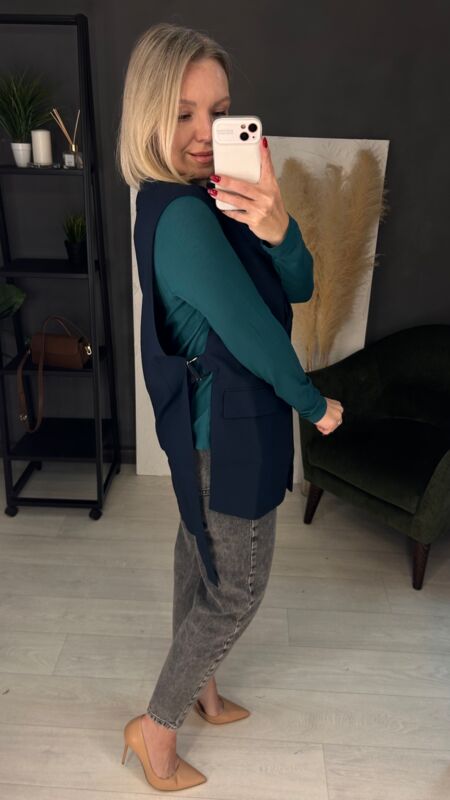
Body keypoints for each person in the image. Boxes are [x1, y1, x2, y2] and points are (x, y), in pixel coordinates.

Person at [117, 21, 344, 792]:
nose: (204, 133)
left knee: (200, 553)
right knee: (237, 589)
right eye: (183, 112)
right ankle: (157, 728)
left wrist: (279, 226)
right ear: (149, 112)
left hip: (217, 424)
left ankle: (202, 691)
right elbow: (253, 331)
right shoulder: (184, 215)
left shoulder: (213, 196)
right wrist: (314, 404)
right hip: (229, 428)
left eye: (218, 112)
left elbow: (299, 284)